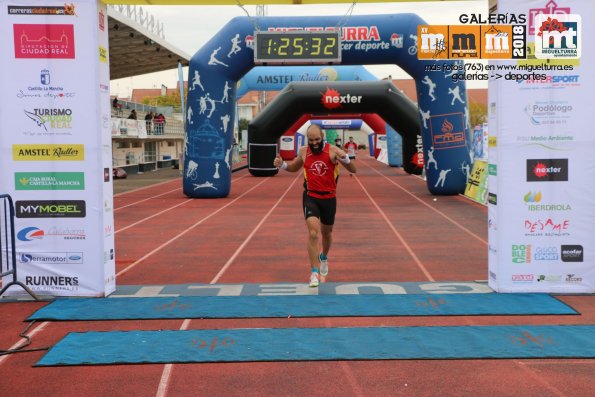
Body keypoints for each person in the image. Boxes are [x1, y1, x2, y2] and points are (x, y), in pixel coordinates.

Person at [273, 124, 356, 287]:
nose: (314, 143)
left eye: (317, 139)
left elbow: (354, 169)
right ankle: (314, 272)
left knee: (327, 233)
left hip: (329, 198)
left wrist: (345, 158)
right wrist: (281, 165)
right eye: (311, 140)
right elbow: (294, 167)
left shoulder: (333, 151)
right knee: (312, 233)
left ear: (322, 136)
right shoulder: (304, 151)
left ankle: (323, 256)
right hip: (311, 196)